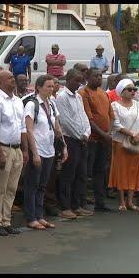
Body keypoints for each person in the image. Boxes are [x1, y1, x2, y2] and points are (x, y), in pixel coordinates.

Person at [0, 70, 28, 236]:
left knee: (11, 188)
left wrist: (25, 150)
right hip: (2, 147)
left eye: (13, 77)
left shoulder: (18, 101)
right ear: (0, 82)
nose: (13, 80)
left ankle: (6, 220)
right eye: (9, 78)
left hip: (16, 148)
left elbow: (23, 127)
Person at [24, 75, 67, 230]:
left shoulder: (52, 104)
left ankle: (39, 215)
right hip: (38, 149)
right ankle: (31, 217)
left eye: (52, 86)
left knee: (43, 185)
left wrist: (64, 146)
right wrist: (34, 153)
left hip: (49, 150)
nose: (51, 89)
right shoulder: (32, 104)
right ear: (39, 87)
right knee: (33, 184)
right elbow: (28, 130)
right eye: (48, 86)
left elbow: (57, 127)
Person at [56, 69, 93, 218]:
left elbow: (84, 117)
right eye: (76, 81)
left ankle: (77, 205)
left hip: (82, 140)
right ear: (68, 79)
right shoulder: (62, 97)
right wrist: (79, 135)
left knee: (81, 174)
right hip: (70, 139)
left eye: (80, 81)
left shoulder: (78, 97)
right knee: (68, 174)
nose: (79, 84)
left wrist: (86, 133)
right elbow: (65, 121)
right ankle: (65, 207)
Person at [79, 68, 116, 212]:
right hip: (92, 139)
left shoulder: (103, 94)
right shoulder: (84, 94)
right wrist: (103, 134)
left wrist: (108, 133)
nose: (99, 78)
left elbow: (111, 115)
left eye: (100, 76)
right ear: (87, 77)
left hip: (104, 140)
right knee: (86, 171)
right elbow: (89, 118)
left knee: (100, 170)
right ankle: (82, 202)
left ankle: (100, 202)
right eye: (95, 76)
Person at [108, 79, 139, 212]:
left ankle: (130, 201)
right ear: (121, 91)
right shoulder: (114, 105)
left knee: (134, 170)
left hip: (138, 142)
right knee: (121, 170)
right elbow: (116, 125)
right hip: (121, 142)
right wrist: (132, 135)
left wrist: (138, 135)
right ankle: (122, 201)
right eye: (129, 89)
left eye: (134, 89)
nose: (133, 92)